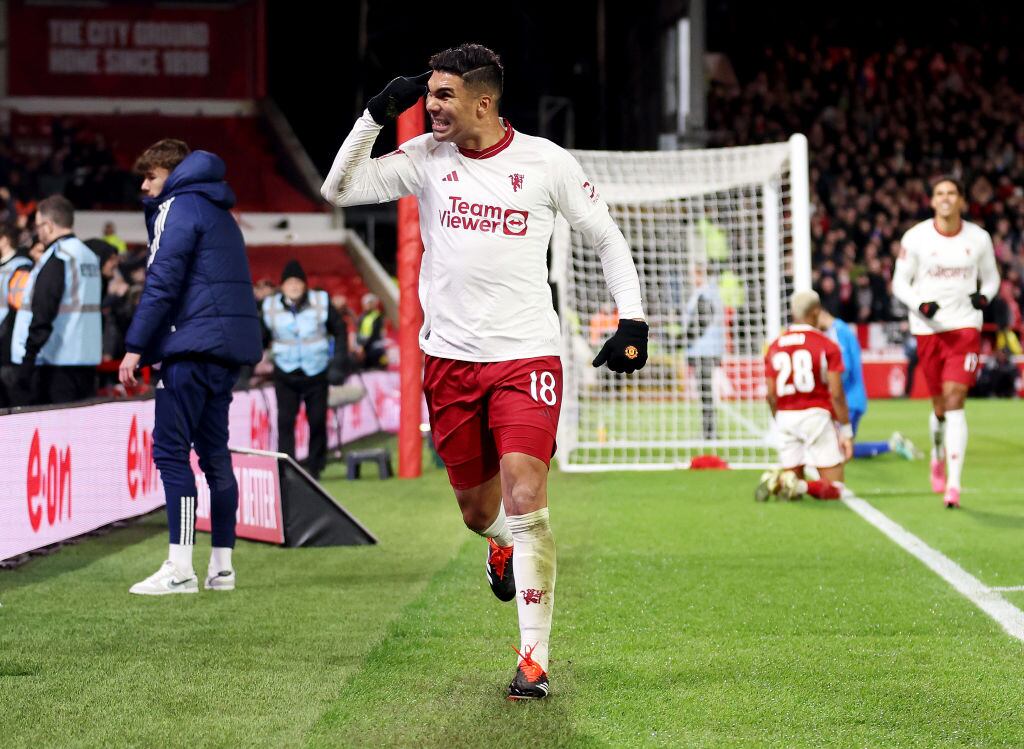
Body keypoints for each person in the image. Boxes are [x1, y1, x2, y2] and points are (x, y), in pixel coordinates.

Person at [321, 43, 648, 700]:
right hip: (450, 363)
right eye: (428, 94)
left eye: (442, 95)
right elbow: (339, 189)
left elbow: (607, 237)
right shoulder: (425, 160)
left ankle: (534, 658)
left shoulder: (546, 162)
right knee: (479, 511)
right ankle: (497, 544)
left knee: (527, 496)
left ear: (483, 101)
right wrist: (373, 115)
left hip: (527, 356)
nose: (430, 105)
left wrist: (632, 318)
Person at [120, 138, 262, 595]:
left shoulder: (177, 207)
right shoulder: (220, 211)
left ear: (173, 174)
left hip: (188, 347)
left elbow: (162, 281)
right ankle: (222, 568)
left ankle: (179, 567)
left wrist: (135, 346)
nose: (144, 186)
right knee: (216, 457)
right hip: (225, 352)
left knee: (170, 453)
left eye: (151, 176)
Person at [892, 176, 1000, 508]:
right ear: (932, 200)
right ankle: (936, 454)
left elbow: (992, 277)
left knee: (955, 401)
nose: (946, 198)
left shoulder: (978, 238)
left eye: (952, 193)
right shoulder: (917, 237)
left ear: (962, 200)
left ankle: (954, 484)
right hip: (928, 330)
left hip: (965, 328)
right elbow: (899, 282)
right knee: (939, 407)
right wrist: (920, 305)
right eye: (940, 193)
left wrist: (984, 297)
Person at [757, 290, 854, 502]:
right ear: (816, 311)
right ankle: (800, 485)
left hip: (785, 417)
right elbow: (836, 394)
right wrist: (846, 430)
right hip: (815, 416)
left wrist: (778, 419)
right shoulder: (826, 345)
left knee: (792, 495)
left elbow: (771, 394)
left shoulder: (775, 345)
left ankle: (789, 483)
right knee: (836, 489)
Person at [262, 259, 350, 479]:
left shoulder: (321, 302)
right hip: (285, 372)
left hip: (316, 371)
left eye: (298, 282)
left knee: (318, 420)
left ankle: (315, 467)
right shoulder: (269, 306)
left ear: (305, 285)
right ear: (282, 286)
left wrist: (338, 365)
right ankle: (287, 469)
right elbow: (259, 337)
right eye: (290, 282)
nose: (294, 286)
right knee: (285, 421)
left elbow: (340, 331)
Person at [10, 196, 101, 406]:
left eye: (39, 225)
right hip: (87, 357)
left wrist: (28, 358)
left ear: (49, 226)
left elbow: (44, 309)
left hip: (59, 360)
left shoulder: (58, 257)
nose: (38, 232)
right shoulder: (88, 256)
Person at [815, 306, 917, 460]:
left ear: (821, 314)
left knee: (839, 449)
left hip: (849, 400)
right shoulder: (840, 329)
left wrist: (827, 384)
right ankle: (893, 444)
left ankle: (893, 445)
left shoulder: (838, 331)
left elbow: (845, 367)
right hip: (851, 399)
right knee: (839, 447)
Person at [682, 265, 724, 440]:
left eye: (694, 275)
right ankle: (708, 430)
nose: (692, 279)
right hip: (703, 349)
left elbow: (702, 321)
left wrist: (686, 339)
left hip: (704, 350)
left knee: (705, 390)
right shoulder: (706, 293)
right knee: (705, 391)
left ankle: (709, 431)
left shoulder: (706, 294)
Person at [0, 224, 33, 407]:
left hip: (7, 345)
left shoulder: (21, 267)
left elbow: (17, 308)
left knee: (12, 398)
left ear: (4, 239)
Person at [355, 291, 387, 369]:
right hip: (363, 345)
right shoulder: (361, 317)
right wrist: (359, 345)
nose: (368, 305)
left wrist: (363, 346)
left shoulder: (377, 316)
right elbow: (359, 331)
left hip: (373, 345)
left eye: (370, 303)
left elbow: (375, 333)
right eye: (366, 303)